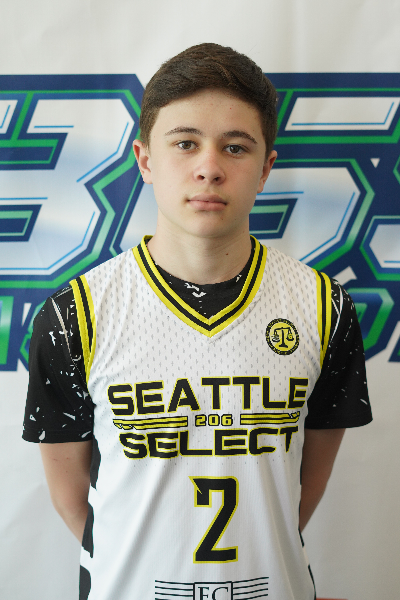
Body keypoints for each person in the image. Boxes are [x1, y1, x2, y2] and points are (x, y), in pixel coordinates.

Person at [23, 43, 372, 600]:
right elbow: (72, 499)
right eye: (185, 143)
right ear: (145, 160)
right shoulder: (77, 313)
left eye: (235, 147)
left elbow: (302, 489)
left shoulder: (323, 306)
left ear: (266, 168)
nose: (209, 167)